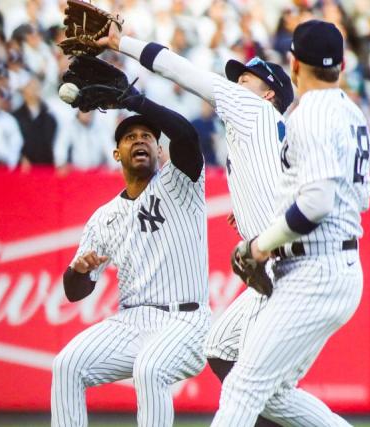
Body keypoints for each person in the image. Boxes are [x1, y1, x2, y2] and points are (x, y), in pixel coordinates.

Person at [99, 17, 293, 427]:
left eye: (249, 78)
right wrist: (251, 211)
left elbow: (179, 69)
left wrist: (123, 42)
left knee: (244, 374)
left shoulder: (253, 108)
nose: (239, 82)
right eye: (238, 78)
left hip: (285, 269)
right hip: (277, 265)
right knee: (225, 354)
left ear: (269, 92)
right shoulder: (272, 133)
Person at [210, 20, 370, 426]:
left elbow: (315, 202)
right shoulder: (352, 114)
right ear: (343, 64)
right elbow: (360, 198)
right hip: (342, 265)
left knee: (242, 389)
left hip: (313, 269)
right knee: (273, 394)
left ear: (294, 63)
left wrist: (262, 243)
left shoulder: (309, 114)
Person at [51, 91, 210, 427]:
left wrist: (134, 100)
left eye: (147, 137)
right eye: (130, 137)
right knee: (67, 365)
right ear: (116, 153)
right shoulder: (105, 216)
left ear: (159, 150)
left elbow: (186, 135)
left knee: (150, 369)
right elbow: (74, 292)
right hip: (132, 322)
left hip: (187, 321)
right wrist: (77, 272)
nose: (139, 141)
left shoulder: (180, 182)